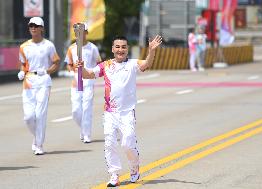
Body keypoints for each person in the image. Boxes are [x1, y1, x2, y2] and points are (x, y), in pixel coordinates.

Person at [77, 35, 162, 187]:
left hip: (127, 113)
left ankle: (134, 168)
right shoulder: (106, 65)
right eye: (117, 46)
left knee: (127, 143)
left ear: (127, 49)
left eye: (123, 47)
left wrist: (151, 51)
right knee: (109, 143)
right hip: (110, 112)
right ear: (112, 49)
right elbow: (87, 74)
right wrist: (81, 67)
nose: (120, 50)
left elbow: (146, 64)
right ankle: (114, 174)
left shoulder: (132, 64)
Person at [17, 17, 60, 155]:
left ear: (42, 28)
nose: (33, 28)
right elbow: (23, 65)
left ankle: (39, 144)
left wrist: (46, 71)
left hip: (43, 81)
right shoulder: (24, 46)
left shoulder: (48, 45)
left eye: (36, 26)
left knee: (40, 114)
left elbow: (56, 63)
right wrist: (22, 72)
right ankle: (37, 138)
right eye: (31, 26)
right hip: (29, 82)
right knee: (28, 117)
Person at [64, 23, 102, 143]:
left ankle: (87, 134)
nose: (79, 34)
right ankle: (83, 128)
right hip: (76, 81)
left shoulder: (93, 48)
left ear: (86, 33)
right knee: (76, 111)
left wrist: (93, 72)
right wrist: (72, 70)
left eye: (81, 32)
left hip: (88, 81)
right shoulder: (71, 48)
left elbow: (99, 63)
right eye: (77, 32)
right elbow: (68, 65)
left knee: (87, 108)